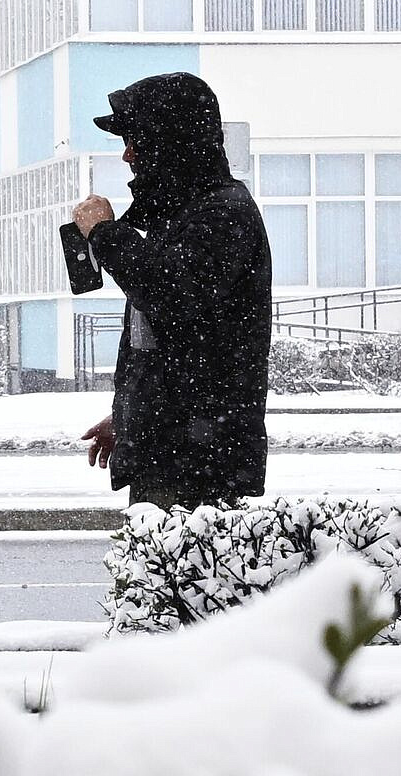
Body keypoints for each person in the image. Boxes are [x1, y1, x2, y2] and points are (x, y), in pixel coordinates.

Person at [73, 72, 272, 510]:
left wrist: (105, 234)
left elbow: (170, 295)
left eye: (136, 141)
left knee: (172, 558)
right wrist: (129, 417)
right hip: (176, 452)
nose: (127, 155)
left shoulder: (222, 214)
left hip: (196, 462)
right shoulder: (185, 215)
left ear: (170, 142)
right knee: (152, 556)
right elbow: (164, 341)